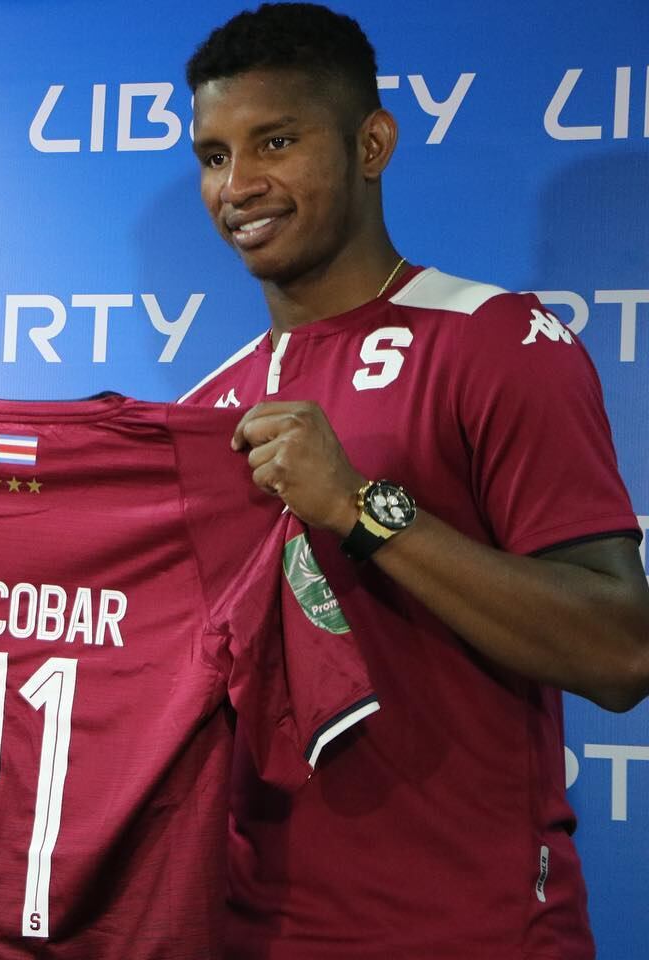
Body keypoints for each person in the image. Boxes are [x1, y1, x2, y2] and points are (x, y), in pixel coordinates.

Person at [175, 4, 649, 957]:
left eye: (276, 141)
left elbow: (622, 652)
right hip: (243, 934)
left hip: (469, 930)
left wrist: (360, 509)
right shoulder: (207, 402)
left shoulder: (499, 341)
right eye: (215, 156)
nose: (240, 185)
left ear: (372, 143)